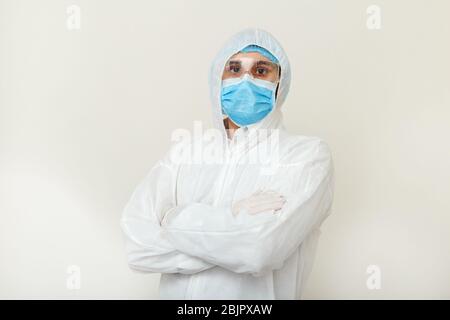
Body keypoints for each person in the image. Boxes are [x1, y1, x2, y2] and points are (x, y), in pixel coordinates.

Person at [120, 28, 335, 299]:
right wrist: (234, 219)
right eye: (234, 69)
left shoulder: (306, 156)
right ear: (217, 79)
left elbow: (260, 249)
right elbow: (137, 247)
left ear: (280, 83)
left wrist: (173, 218)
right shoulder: (186, 151)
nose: (246, 79)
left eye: (261, 71)